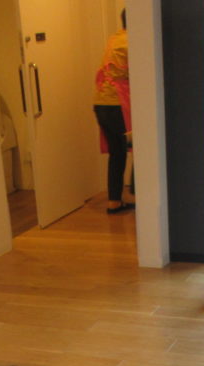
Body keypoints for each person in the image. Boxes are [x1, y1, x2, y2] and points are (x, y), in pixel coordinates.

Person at [93, 9, 132, 214]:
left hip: (101, 102)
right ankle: (136, 194)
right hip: (117, 103)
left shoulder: (115, 39)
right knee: (139, 146)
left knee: (117, 152)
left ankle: (114, 201)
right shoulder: (132, 42)